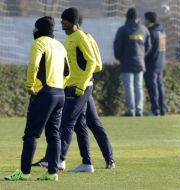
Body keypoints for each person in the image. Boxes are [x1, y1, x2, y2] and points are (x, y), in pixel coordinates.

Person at [32, 7, 115, 173]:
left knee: (66, 122)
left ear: (74, 22)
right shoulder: (70, 37)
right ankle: (91, 162)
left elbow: (93, 63)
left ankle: (58, 160)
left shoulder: (80, 37)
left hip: (80, 88)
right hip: (73, 86)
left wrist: (81, 84)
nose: (62, 22)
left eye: (66, 20)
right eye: (62, 19)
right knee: (86, 124)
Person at [4, 16, 70, 181]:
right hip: (59, 94)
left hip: (44, 94)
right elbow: (68, 72)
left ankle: (24, 173)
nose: (33, 30)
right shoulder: (60, 45)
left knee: (31, 134)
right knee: (54, 135)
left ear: (40, 29)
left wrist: (30, 86)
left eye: (35, 27)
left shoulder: (39, 43)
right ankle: (52, 173)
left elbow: (34, 65)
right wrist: (60, 86)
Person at [114, 8, 151, 116]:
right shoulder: (144, 29)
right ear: (136, 17)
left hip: (126, 63)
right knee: (139, 86)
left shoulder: (122, 30)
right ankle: (139, 110)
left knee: (129, 87)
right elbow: (149, 46)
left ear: (127, 16)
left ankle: (131, 111)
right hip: (139, 63)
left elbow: (117, 46)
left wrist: (119, 57)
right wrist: (142, 56)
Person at [144, 11, 168, 116]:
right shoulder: (161, 31)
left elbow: (147, 49)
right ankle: (163, 109)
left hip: (151, 63)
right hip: (160, 62)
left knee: (153, 88)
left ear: (148, 20)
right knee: (159, 86)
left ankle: (155, 110)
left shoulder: (151, 32)